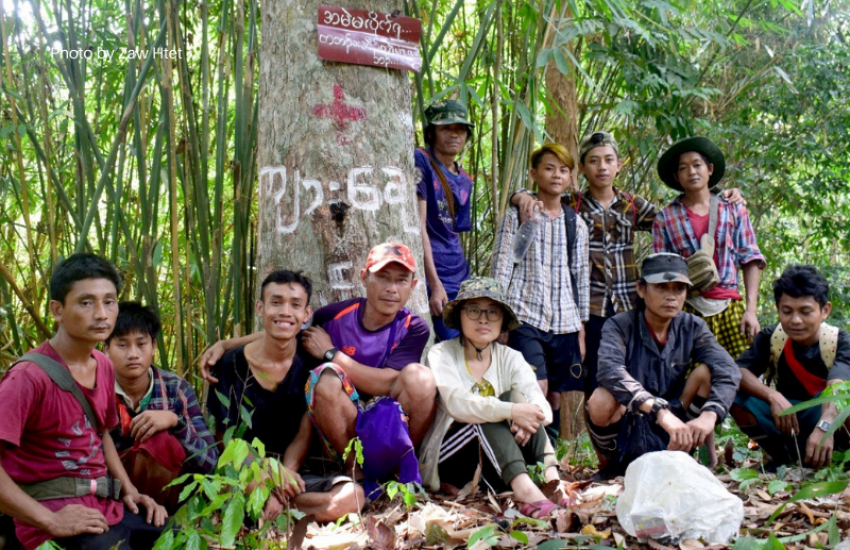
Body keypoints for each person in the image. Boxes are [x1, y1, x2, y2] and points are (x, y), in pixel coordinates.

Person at [511, 132, 745, 397]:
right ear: (583, 169)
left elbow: (674, 217)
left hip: (629, 305)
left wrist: (717, 194)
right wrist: (519, 196)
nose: (602, 167)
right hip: (592, 306)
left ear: (619, 165)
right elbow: (539, 195)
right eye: (594, 161)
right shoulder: (572, 204)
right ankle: (600, 435)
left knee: (635, 374)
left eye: (609, 160)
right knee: (596, 378)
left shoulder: (632, 205)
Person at [200, 243, 436, 463]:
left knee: (421, 379)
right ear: (364, 277)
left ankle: (398, 466)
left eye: (401, 280)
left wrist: (332, 354)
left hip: (386, 417)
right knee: (326, 381)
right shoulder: (335, 316)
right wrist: (228, 344)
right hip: (340, 421)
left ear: (413, 285)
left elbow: (387, 382)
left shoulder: (413, 327)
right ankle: (354, 470)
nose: (391, 289)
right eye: (382, 278)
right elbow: (287, 328)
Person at [0, 253, 167, 550]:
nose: (102, 314)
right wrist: (50, 521)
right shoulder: (28, 377)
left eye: (109, 301)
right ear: (57, 310)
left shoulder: (102, 365)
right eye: (86, 302)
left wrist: (129, 490)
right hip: (49, 514)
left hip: (102, 503)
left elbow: (101, 434)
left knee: (177, 537)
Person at [206, 270, 364, 522]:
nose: (285, 312)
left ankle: (275, 507)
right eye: (276, 302)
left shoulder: (312, 361)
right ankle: (284, 508)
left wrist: (283, 478)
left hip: (297, 472)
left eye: (295, 305)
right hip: (248, 467)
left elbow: (305, 431)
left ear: (306, 313)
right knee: (241, 486)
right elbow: (224, 438)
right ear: (260, 307)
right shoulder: (230, 364)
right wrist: (267, 471)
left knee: (353, 496)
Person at [418, 277, 571, 518]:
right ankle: (527, 493)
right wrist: (511, 411)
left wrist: (527, 417)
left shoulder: (511, 357)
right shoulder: (442, 353)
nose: (483, 319)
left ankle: (554, 483)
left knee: (518, 399)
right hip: (450, 460)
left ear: (502, 321)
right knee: (489, 411)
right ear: (459, 316)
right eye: (473, 310)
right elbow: (457, 403)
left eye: (493, 312)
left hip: (496, 459)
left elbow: (542, 406)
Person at [585, 253, 741, 476]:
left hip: (678, 423)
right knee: (601, 398)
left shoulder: (693, 326)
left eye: (678, 289)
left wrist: (710, 414)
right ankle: (611, 464)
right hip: (633, 422)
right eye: (661, 287)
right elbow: (610, 370)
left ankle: (698, 458)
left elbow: (727, 368)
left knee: (707, 372)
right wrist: (658, 409)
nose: (671, 297)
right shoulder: (620, 325)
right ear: (641, 289)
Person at [492, 143, 590, 418]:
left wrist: (581, 328)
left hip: (564, 320)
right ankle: (535, 454)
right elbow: (502, 266)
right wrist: (499, 315)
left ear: (571, 177)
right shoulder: (518, 216)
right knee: (536, 386)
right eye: (549, 168)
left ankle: (552, 453)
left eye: (563, 170)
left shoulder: (576, 224)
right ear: (534, 174)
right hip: (525, 314)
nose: (557, 175)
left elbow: (581, 275)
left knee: (556, 393)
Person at [653, 136, 765, 360]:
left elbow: (751, 258)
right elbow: (661, 272)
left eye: (697, 165)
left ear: (709, 169)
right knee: (690, 377)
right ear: (677, 176)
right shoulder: (666, 217)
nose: (692, 172)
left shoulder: (733, 209)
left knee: (745, 373)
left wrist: (751, 310)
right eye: (683, 168)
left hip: (730, 304)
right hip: (688, 309)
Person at [733, 265, 850, 470]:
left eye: (805, 312)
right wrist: (772, 395)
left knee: (845, 402)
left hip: (824, 417)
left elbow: (837, 386)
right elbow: (737, 371)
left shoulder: (840, 341)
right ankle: (781, 455)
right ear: (778, 309)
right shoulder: (772, 337)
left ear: (825, 310)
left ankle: (840, 456)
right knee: (730, 390)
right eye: (787, 311)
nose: (795, 320)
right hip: (786, 420)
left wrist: (825, 425)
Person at [104, 302, 218, 513]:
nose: (133, 354)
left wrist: (176, 422)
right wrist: (123, 491)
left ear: (154, 346)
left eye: (141, 344)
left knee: (162, 442)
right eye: (122, 345)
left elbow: (210, 461)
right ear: (106, 349)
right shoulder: (94, 391)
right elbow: (82, 466)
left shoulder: (176, 389)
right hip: (112, 494)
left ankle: (165, 525)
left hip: (169, 499)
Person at [417, 99, 475, 341]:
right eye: (446, 128)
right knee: (453, 341)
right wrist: (434, 283)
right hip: (434, 273)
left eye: (460, 129)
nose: (455, 134)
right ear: (431, 132)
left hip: (461, 275)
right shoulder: (421, 160)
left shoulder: (466, 180)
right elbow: (419, 226)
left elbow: (455, 233)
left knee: (475, 341)